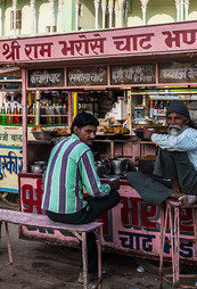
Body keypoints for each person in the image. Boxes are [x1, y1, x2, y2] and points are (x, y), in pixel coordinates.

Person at [42, 112, 120, 275]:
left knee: (88, 227)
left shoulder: (59, 145)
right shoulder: (83, 149)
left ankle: (89, 270)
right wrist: (111, 187)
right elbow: (96, 190)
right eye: (88, 131)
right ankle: (90, 273)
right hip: (71, 214)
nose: (92, 136)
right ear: (76, 130)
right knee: (113, 196)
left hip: (50, 211)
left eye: (94, 132)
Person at [127, 100, 197, 207]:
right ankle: (179, 195)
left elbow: (173, 144)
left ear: (187, 120)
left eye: (177, 118)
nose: (172, 122)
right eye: (169, 119)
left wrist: (151, 136)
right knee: (132, 176)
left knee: (169, 146)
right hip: (184, 185)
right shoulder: (175, 137)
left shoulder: (192, 134)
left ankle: (176, 192)